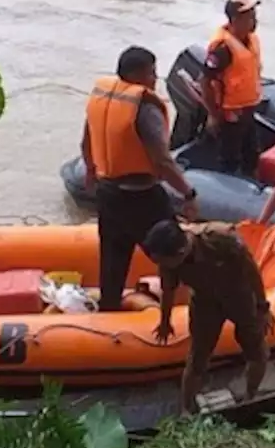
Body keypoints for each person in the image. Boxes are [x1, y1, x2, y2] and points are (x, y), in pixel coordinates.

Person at [82, 46, 198, 312]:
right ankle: (195, 309)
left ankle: (108, 313)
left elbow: (85, 141)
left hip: (108, 194)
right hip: (143, 198)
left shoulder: (102, 96)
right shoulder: (144, 107)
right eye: (152, 72)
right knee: (178, 253)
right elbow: (162, 160)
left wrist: (91, 170)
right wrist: (188, 194)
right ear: (137, 75)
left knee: (112, 264)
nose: (155, 79)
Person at [146, 219, 275, 414]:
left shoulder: (220, 239)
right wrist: (165, 321)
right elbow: (168, 290)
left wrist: (263, 306)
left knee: (256, 349)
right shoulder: (169, 262)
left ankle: (251, 397)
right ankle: (187, 409)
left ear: (180, 253)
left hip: (239, 296)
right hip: (204, 301)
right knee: (197, 356)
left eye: (163, 262)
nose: (160, 266)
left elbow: (251, 270)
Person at [203, 0, 263, 176]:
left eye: (254, 15)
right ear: (236, 19)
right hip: (230, 113)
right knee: (230, 157)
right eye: (250, 17)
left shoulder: (251, 40)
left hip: (248, 107)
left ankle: (250, 180)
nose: (255, 21)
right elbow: (205, 80)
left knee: (252, 153)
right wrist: (213, 115)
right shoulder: (223, 49)